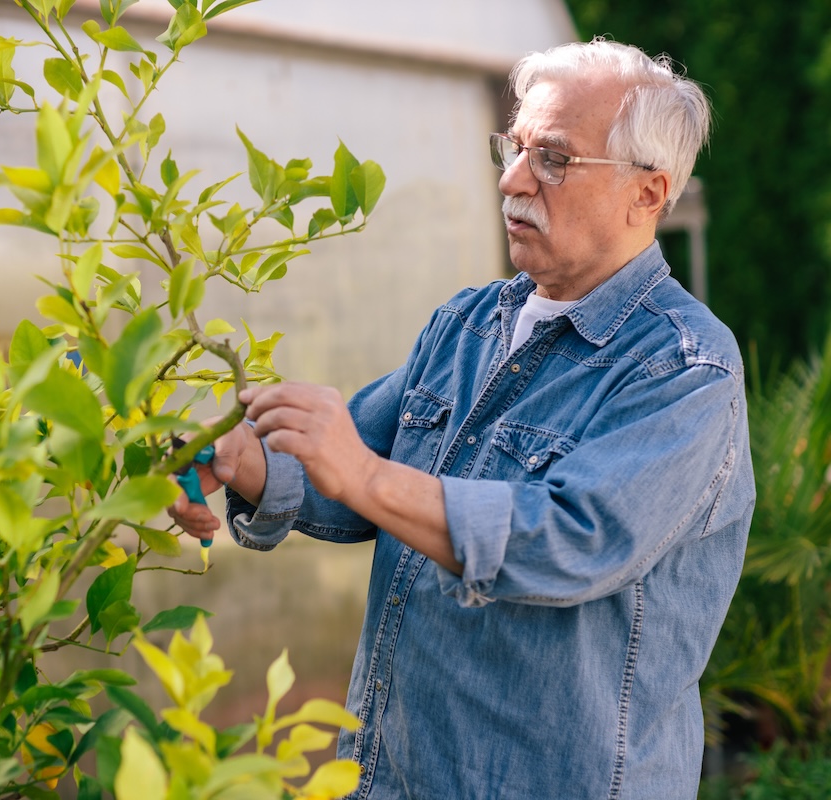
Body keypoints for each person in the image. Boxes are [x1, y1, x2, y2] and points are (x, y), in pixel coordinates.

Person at [168, 37, 756, 799]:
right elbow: (351, 479)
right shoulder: (472, 323)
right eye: (512, 149)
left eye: (553, 159)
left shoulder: (685, 368)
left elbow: (569, 540)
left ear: (648, 193)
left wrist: (364, 473)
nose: (513, 180)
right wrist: (244, 462)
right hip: (390, 774)